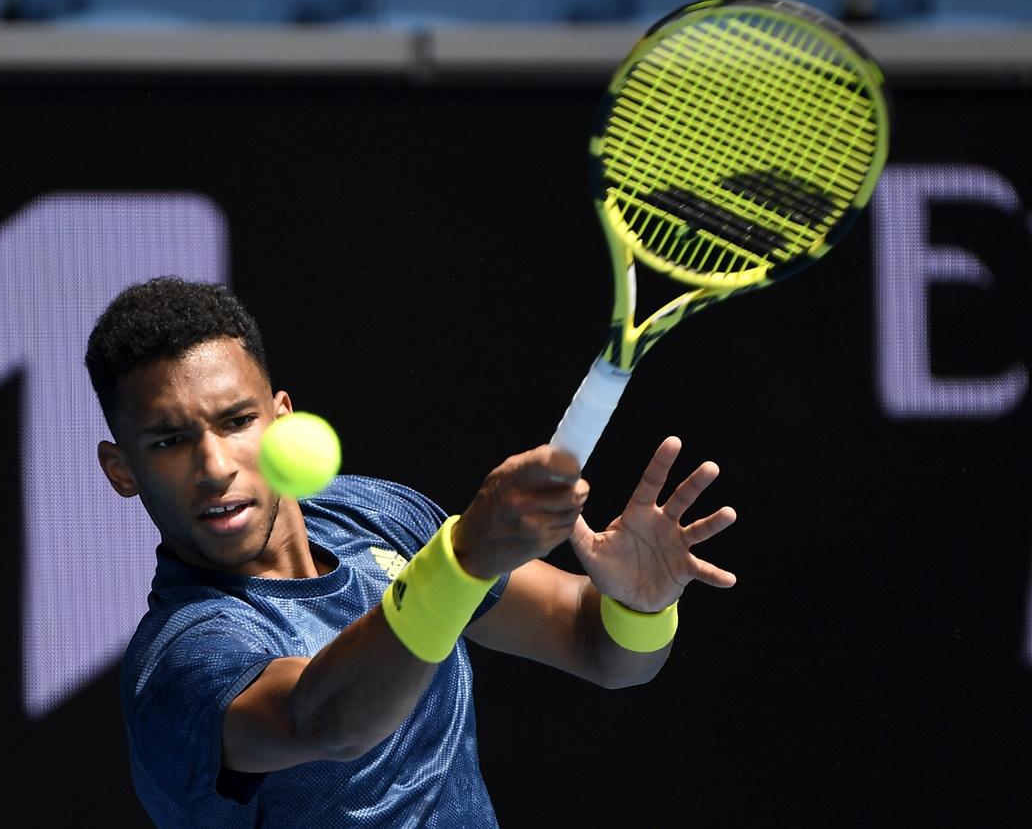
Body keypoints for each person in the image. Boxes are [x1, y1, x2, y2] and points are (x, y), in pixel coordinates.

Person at [86, 277, 738, 828]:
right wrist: (463, 556)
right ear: (122, 469)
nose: (214, 465)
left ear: (281, 417)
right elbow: (328, 719)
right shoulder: (181, 659)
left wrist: (637, 605)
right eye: (170, 440)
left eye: (236, 421)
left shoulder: (374, 515)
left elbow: (599, 648)